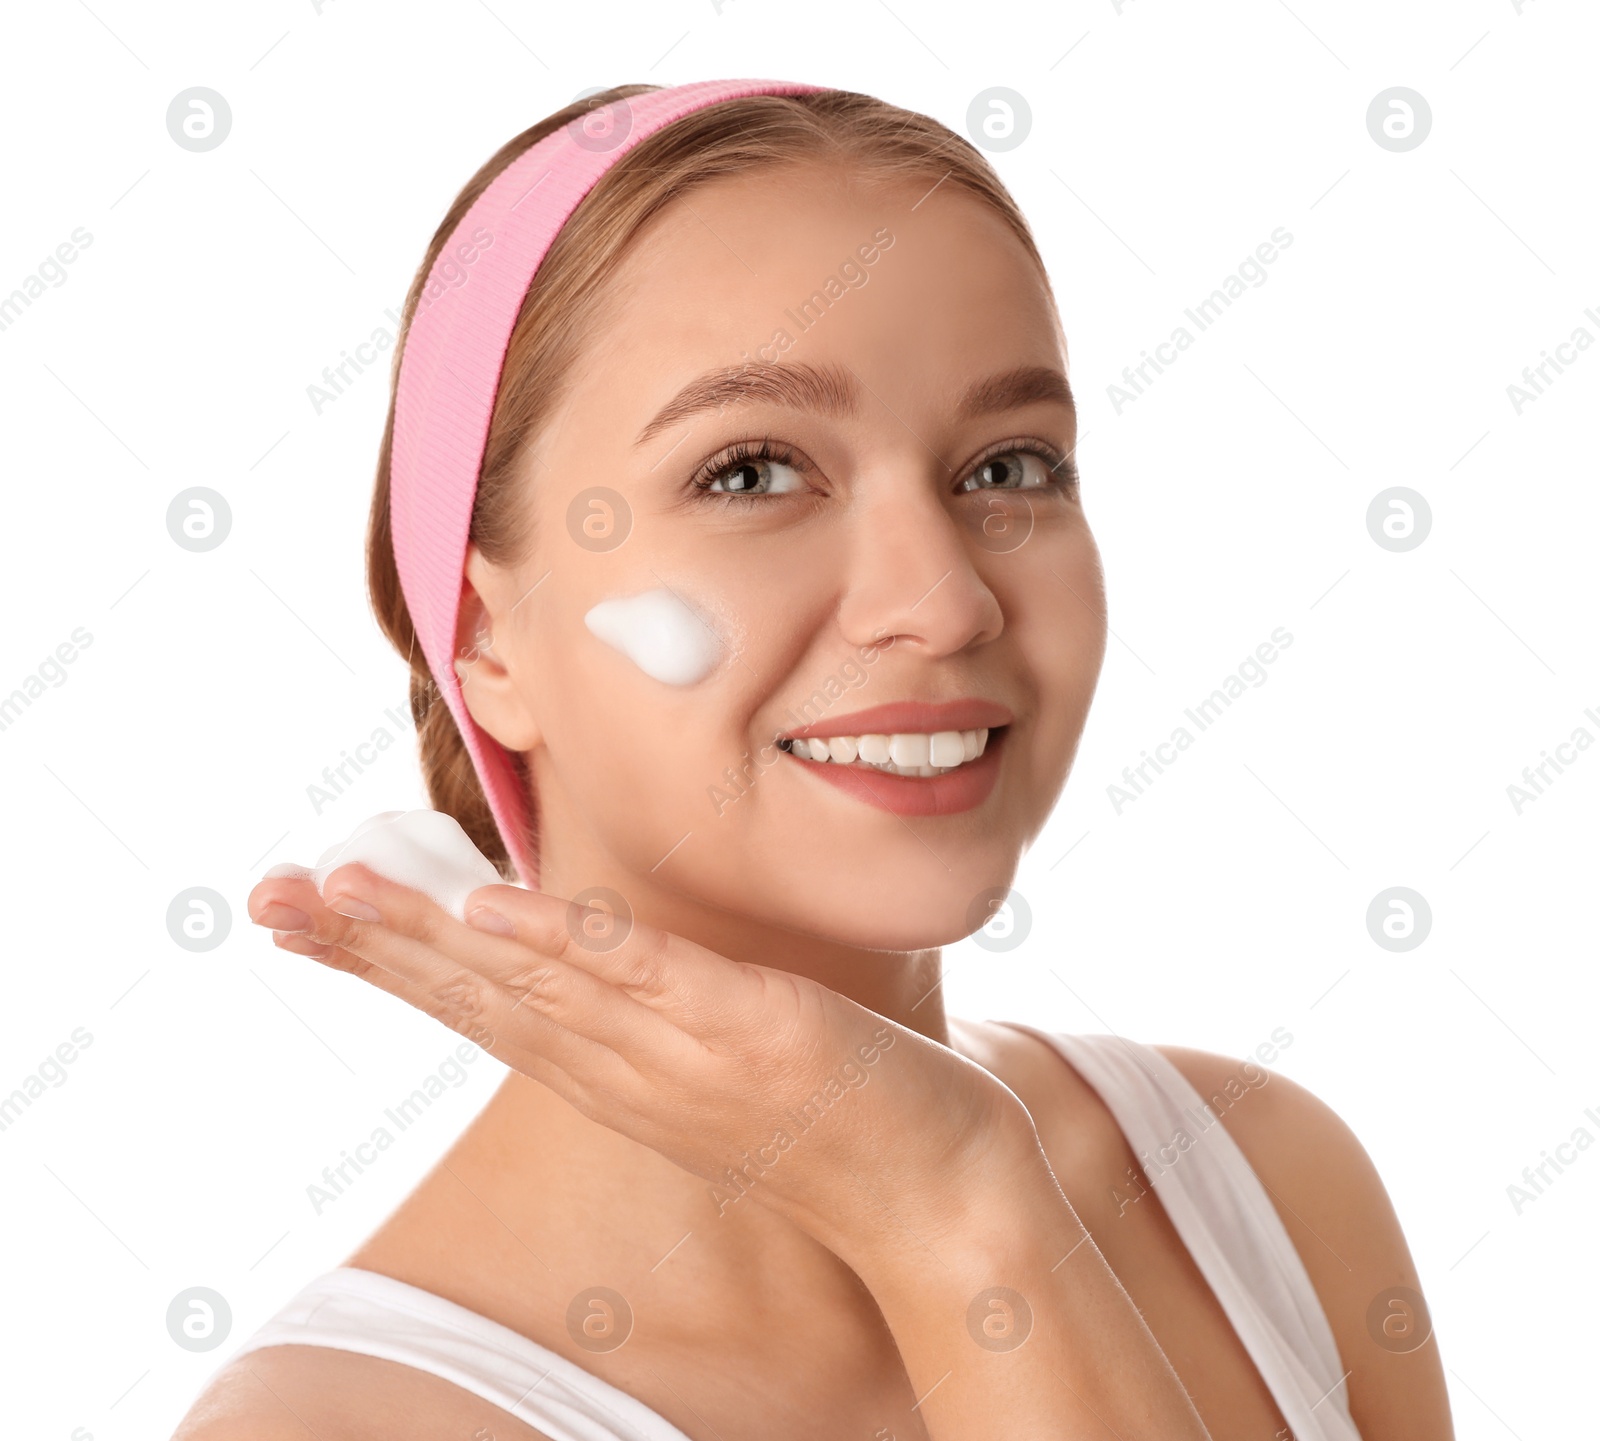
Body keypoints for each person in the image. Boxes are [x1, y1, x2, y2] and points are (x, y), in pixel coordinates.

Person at [175, 80, 1452, 1439]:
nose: (945, 600)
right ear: (486, 638)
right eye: (751, 472)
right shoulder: (343, 1424)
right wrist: (952, 1211)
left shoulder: (1261, 1183)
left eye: (1011, 466)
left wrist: (969, 1207)